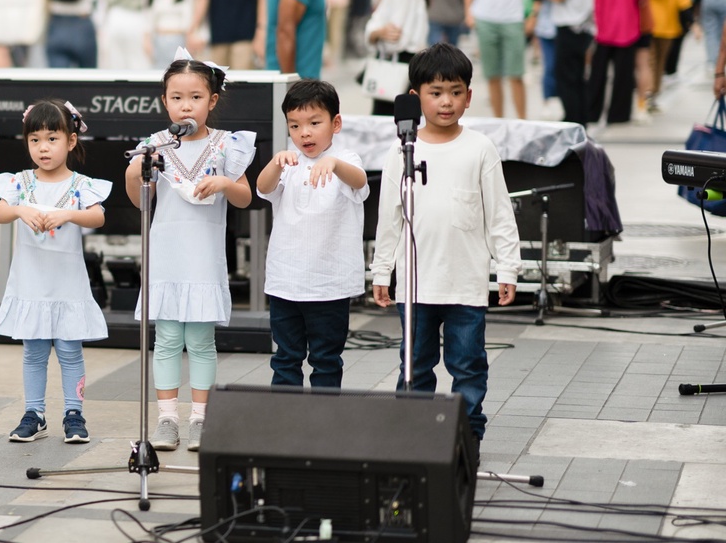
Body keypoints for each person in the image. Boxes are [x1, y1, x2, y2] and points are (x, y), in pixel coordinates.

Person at [370, 43, 520, 461]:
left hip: (466, 286)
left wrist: (507, 267)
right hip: (416, 287)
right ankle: (412, 439)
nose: (447, 102)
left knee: (468, 366)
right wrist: (382, 272)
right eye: (436, 92)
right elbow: (389, 219)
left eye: (455, 92)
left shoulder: (479, 149)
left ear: (469, 96)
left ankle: (466, 442)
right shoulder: (400, 152)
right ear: (415, 98)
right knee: (414, 369)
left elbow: (499, 215)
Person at [126, 52, 255, 452]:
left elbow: (245, 197)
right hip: (166, 253)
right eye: (177, 97)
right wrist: (136, 170)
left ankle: (201, 418)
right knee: (166, 339)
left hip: (202, 256)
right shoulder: (155, 144)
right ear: (165, 101)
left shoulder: (225, 145)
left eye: (196, 97)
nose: (186, 105)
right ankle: (167, 419)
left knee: (200, 340)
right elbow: (138, 201)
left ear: (212, 100)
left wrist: (224, 185)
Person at [0, 99, 111, 443]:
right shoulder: (19, 182)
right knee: (34, 351)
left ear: (71, 141)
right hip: (31, 282)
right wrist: (19, 210)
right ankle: (35, 412)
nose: (43, 147)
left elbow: (98, 216)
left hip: (67, 284)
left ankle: (74, 412)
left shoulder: (80, 184)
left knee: (70, 350)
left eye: (52, 138)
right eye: (35, 140)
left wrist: (68, 214)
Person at [256, 79, 368, 388]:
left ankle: (323, 425)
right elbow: (262, 189)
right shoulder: (288, 162)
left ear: (336, 123)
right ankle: (286, 422)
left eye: (314, 123)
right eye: (294, 125)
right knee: (285, 358)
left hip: (329, 284)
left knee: (327, 358)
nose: (304, 132)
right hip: (286, 282)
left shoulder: (347, 160)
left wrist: (333, 163)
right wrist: (276, 164)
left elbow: (359, 182)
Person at [528, 0, 596, 126]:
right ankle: (580, 118)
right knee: (576, 77)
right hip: (581, 27)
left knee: (567, 77)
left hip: (571, 27)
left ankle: (573, 119)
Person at [589, 0, 648, 127]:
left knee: (597, 75)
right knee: (623, 76)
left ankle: (592, 112)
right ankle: (619, 114)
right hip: (627, 27)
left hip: (602, 26)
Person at [647, 0, 692, 103]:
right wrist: (692, 24)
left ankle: (648, 91)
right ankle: (654, 93)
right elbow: (684, 3)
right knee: (660, 63)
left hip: (648, 25)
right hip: (668, 26)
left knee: (649, 62)